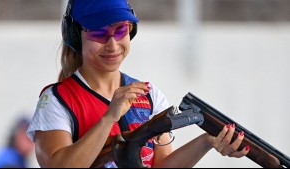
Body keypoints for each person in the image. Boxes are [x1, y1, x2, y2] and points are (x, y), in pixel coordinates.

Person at [26, 0, 250, 168]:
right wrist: (109, 117)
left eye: (120, 30)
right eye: (99, 33)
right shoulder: (56, 100)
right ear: (75, 36)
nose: (112, 45)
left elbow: (161, 165)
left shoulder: (149, 95)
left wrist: (207, 141)